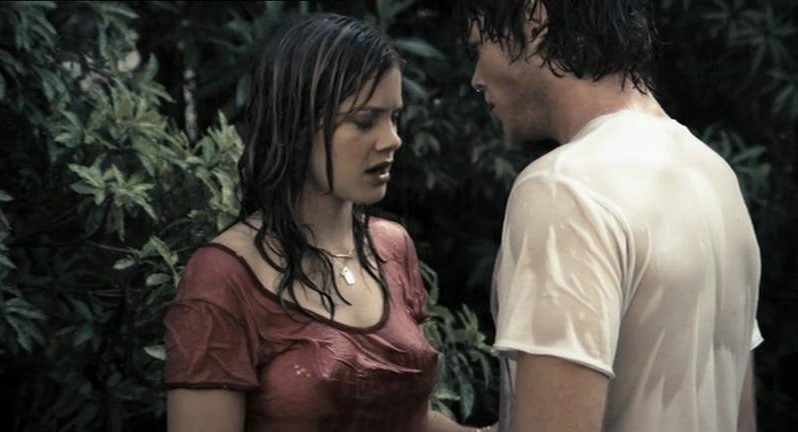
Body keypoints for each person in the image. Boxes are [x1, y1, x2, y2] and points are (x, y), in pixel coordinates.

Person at [164, 12, 492, 432]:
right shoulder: (224, 276)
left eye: (394, 117)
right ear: (297, 124)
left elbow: (408, 418)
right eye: (364, 121)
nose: (392, 139)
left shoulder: (392, 248)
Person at [460, 1, 762, 431]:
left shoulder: (565, 187)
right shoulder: (715, 176)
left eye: (479, 47)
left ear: (535, 19)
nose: (476, 78)